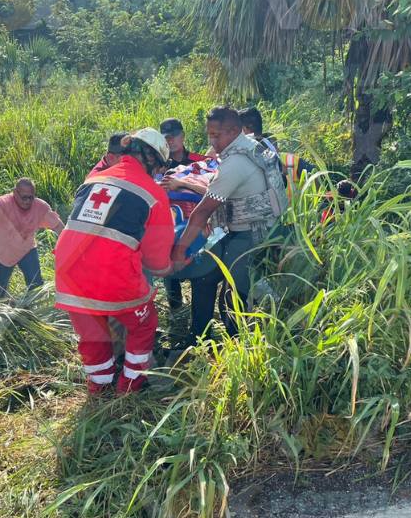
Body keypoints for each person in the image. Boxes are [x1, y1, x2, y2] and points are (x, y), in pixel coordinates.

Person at [55, 128, 174, 395]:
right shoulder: (153, 193)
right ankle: (130, 386)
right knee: (143, 324)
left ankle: (99, 388)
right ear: (153, 161)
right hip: (113, 274)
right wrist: (171, 266)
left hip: (69, 273)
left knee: (93, 334)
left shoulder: (93, 180)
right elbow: (156, 261)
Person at [172, 106, 288, 342]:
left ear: (235, 130)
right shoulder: (252, 147)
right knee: (205, 277)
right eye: (210, 134)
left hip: (252, 236)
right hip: (254, 230)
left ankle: (236, 345)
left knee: (232, 293)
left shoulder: (236, 162)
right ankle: (199, 339)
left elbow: (202, 210)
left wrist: (180, 249)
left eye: (217, 135)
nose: (212, 141)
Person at [0, 178, 64, 299]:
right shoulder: (3, 203)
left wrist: (68, 245)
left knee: (37, 287)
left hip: (27, 250)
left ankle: (34, 313)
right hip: (2, 254)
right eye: (24, 197)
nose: (28, 201)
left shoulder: (40, 207)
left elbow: (59, 226)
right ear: (15, 192)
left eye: (31, 197)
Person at [158, 118, 207, 310]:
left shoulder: (200, 162)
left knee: (200, 271)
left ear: (183, 136)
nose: (170, 141)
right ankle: (175, 311)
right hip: (168, 224)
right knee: (169, 271)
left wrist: (184, 184)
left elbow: (214, 191)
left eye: (174, 136)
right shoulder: (158, 165)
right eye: (166, 138)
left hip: (197, 224)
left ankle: (197, 311)